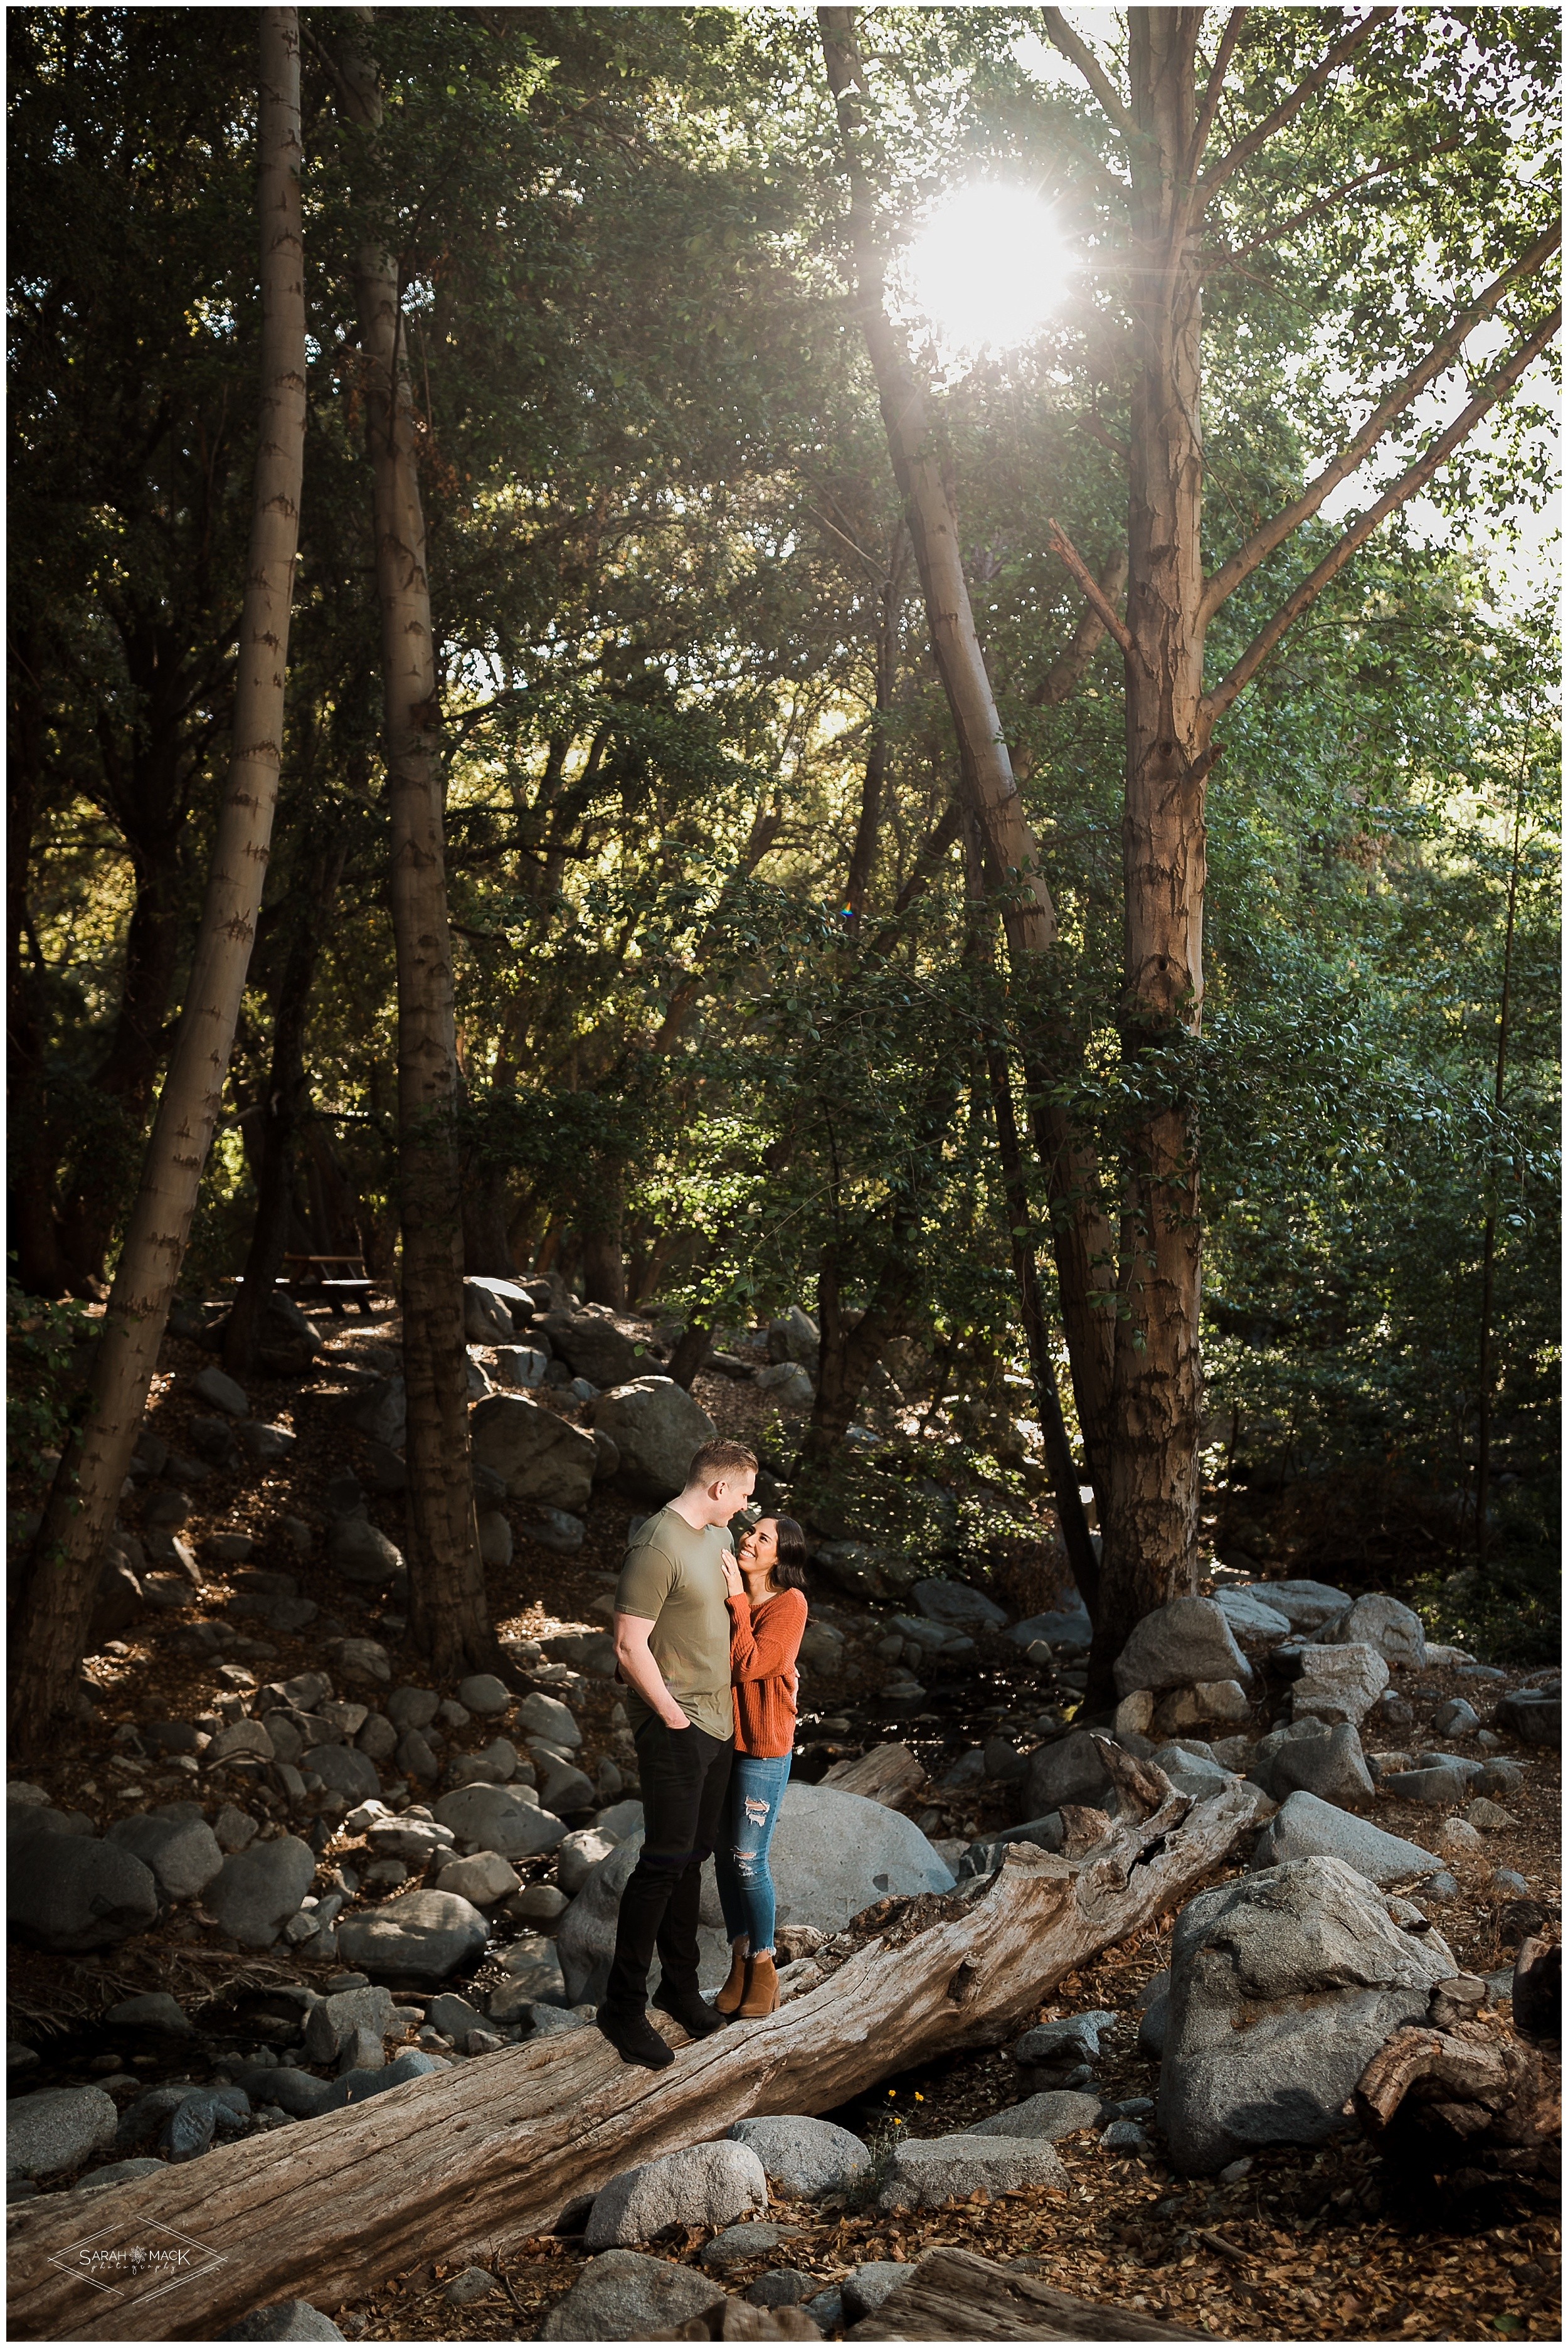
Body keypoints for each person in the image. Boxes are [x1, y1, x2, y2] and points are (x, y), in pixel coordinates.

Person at [598, 1437, 758, 2069]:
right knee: (663, 1863)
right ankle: (622, 2005)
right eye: (744, 1492)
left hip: (718, 1722)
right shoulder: (656, 1543)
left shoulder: (718, 1537)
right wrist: (671, 1717)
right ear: (717, 1487)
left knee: (693, 1859)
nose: (749, 1504)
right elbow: (627, 1644)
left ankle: (680, 1986)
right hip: (676, 1724)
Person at [713, 1514, 809, 2022]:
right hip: (722, 1743)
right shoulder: (728, 1589)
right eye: (750, 1530)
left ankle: (766, 1963)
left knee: (748, 1858)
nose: (749, 1539)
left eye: (763, 1537)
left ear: (781, 1555)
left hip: (764, 1748)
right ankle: (740, 1955)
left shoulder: (789, 1604)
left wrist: (735, 1600)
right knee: (723, 1858)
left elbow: (749, 1664)